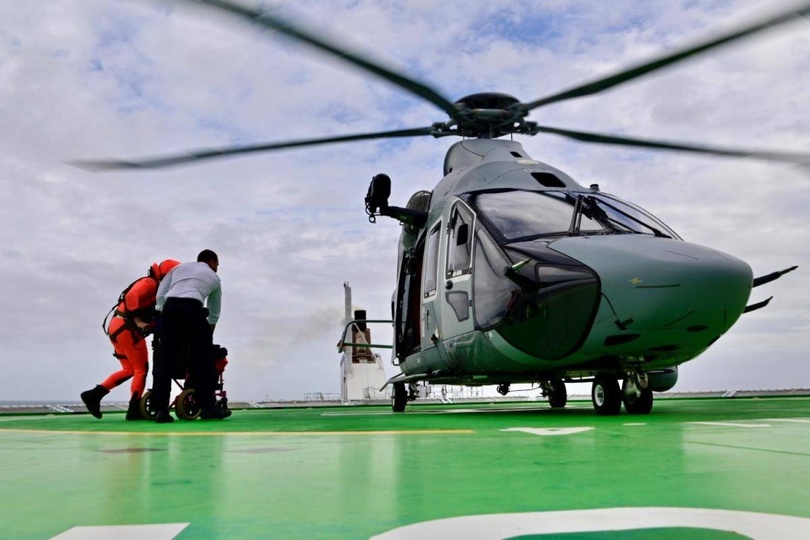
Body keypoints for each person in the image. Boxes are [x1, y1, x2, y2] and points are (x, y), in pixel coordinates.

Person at [81, 259, 181, 420]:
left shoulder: (153, 285)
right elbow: (132, 296)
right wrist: (138, 321)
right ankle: (133, 409)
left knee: (129, 369)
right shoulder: (150, 283)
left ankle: (94, 394)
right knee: (141, 370)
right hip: (127, 329)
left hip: (117, 327)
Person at [152, 249, 230, 423]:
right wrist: (206, 337)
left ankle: (161, 410)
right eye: (217, 264)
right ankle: (208, 407)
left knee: (165, 359)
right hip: (194, 307)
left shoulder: (179, 268)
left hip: (170, 308)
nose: (217, 268)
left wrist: (164, 311)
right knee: (203, 360)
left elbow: (161, 293)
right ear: (211, 261)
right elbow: (214, 314)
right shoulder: (214, 278)